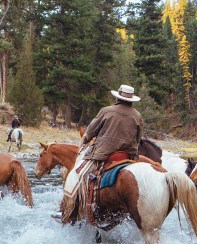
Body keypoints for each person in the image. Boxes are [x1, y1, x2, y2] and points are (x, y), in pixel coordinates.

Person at [60, 84, 143, 224]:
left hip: (103, 154)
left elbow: (91, 131)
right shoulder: (137, 115)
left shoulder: (106, 110)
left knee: (77, 174)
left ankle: (69, 211)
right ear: (131, 100)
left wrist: (85, 140)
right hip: (127, 156)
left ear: (118, 97)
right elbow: (138, 138)